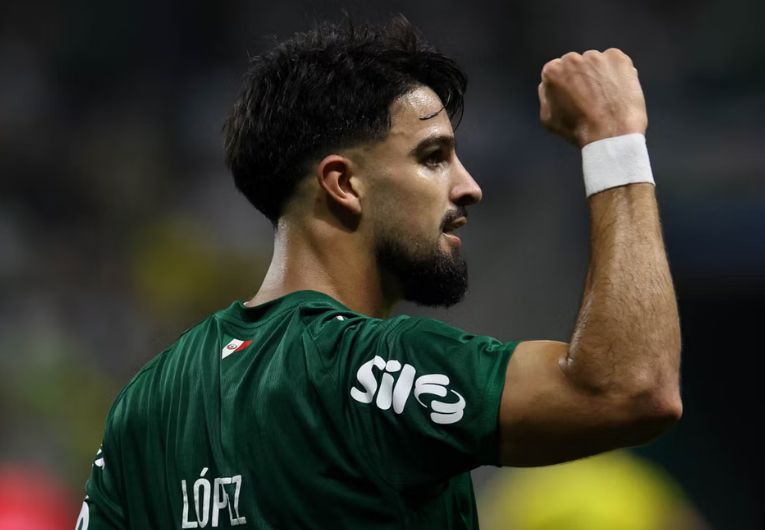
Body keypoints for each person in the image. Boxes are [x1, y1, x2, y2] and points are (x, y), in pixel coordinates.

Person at [76, 17, 682, 530]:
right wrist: (613, 137)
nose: (469, 187)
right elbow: (630, 389)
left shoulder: (145, 404)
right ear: (343, 184)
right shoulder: (368, 368)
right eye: (433, 157)